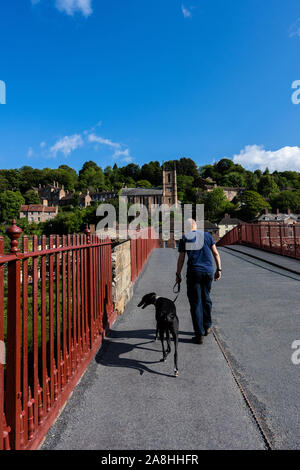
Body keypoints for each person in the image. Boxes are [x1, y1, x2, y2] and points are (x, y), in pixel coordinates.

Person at [176, 219, 222, 344]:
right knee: (206, 298)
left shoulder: (185, 238)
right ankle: (207, 326)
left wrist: (178, 274)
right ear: (196, 226)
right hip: (207, 271)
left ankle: (199, 334)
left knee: (196, 303)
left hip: (194, 272)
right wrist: (219, 269)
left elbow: (181, 259)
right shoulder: (207, 235)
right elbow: (216, 253)